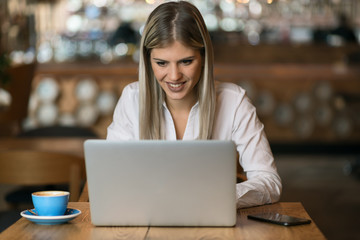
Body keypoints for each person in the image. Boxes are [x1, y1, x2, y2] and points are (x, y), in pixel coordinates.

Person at [107, 1, 282, 209]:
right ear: (147, 61)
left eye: (186, 61)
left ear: (204, 57)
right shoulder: (131, 99)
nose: (174, 76)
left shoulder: (234, 102)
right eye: (161, 63)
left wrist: (218, 197)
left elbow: (269, 181)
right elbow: (111, 179)